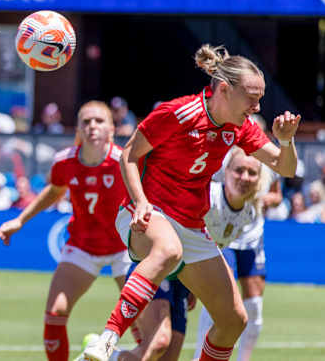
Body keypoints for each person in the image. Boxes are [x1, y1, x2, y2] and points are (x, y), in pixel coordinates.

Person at [82, 45, 300, 361]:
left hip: (190, 225)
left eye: (259, 98)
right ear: (224, 90)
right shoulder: (179, 113)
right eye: (252, 97)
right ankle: (105, 339)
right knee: (169, 251)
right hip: (146, 210)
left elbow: (286, 167)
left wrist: (286, 140)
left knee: (233, 320)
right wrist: (140, 202)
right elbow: (129, 154)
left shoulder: (241, 126)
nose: (257, 106)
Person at [0, 101, 132, 361]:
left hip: (124, 249)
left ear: (112, 129)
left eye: (99, 121)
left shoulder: (123, 162)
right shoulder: (64, 161)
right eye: (86, 121)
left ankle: (113, 354)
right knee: (55, 314)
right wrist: (20, 220)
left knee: (141, 329)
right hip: (82, 245)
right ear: (79, 129)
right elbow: (55, 191)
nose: (92, 126)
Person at [192, 147, 275, 361]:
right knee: (221, 300)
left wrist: (266, 199)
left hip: (251, 234)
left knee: (254, 304)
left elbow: (276, 194)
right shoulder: (222, 156)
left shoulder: (264, 161)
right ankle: (198, 357)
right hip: (221, 234)